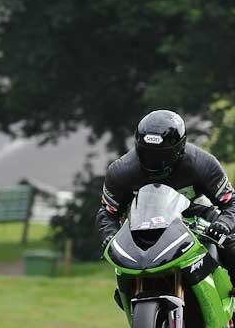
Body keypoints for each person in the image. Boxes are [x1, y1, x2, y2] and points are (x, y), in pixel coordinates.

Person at [96, 110, 235, 291]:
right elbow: (108, 212)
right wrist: (109, 235)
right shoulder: (120, 171)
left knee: (232, 244)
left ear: (180, 148)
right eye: (148, 154)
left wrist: (223, 223)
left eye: (163, 155)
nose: (155, 163)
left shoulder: (203, 164)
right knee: (121, 278)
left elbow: (230, 202)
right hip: (143, 224)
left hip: (198, 215)